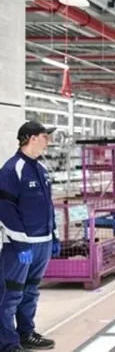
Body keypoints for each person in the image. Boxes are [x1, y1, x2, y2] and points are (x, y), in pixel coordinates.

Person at [0, 121, 60, 351]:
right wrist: (20, 243)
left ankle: (26, 334)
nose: (48, 141)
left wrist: (53, 235)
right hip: (20, 246)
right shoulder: (12, 169)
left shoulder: (41, 169)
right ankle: (8, 343)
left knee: (31, 291)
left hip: (42, 242)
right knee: (11, 294)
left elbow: (48, 206)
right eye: (46, 136)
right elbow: (6, 209)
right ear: (32, 138)